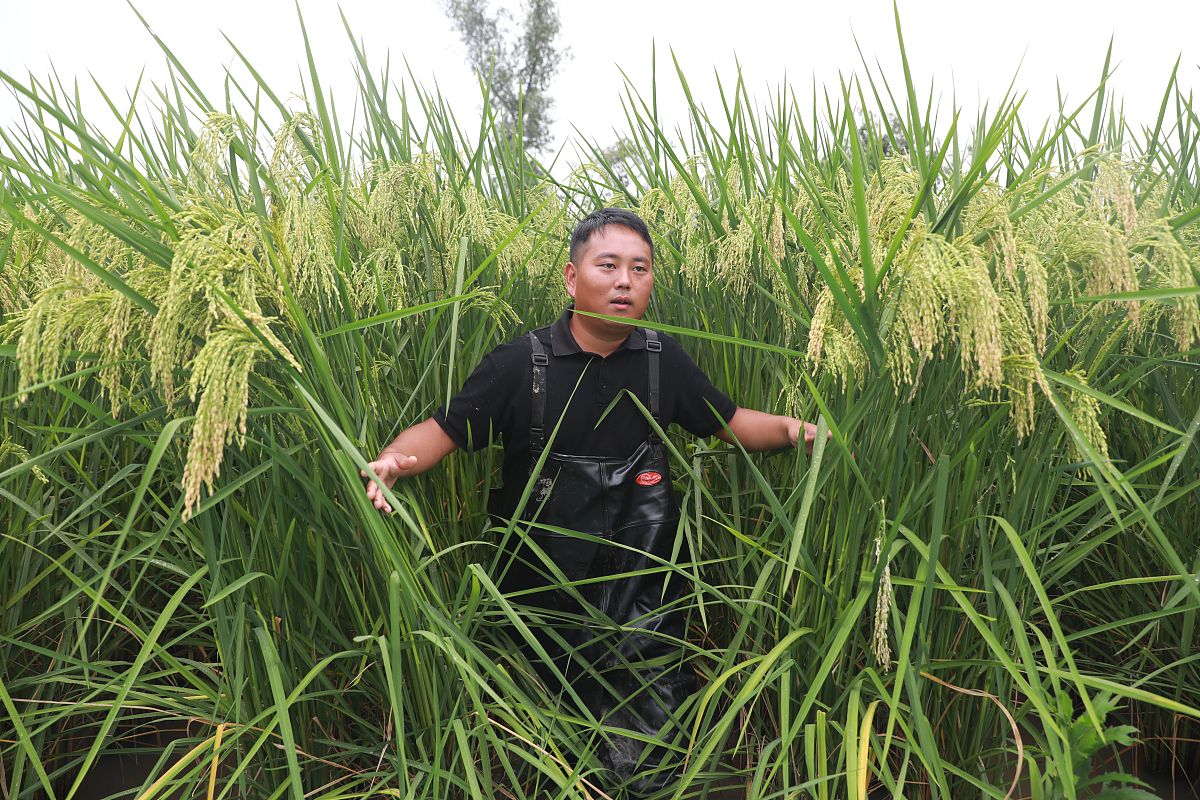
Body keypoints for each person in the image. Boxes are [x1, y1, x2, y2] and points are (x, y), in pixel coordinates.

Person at [362, 207, 819, 796]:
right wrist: (394, 460)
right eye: (608, 266)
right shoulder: (521, 364)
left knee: (651, 757)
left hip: (644, 597)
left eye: (640, 268)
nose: (625, 281)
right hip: (539, 606)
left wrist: (795, 432)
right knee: (545, 757)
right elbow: (441, 431)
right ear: (572, 277)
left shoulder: (661, 361)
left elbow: (730, 423)